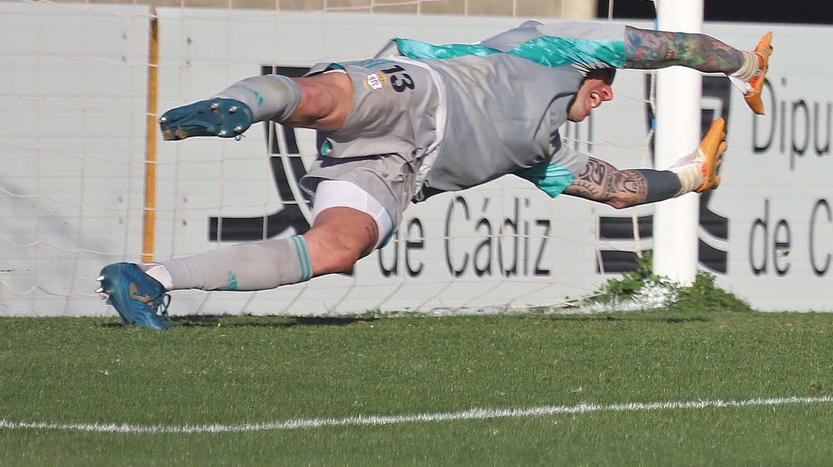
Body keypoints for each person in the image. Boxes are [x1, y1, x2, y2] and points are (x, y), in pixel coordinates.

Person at [98, 22, 773, 330]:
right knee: (324, 95)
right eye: (605, 83)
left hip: (396, 168)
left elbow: (618, 189)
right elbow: (670, 48)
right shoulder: (557, 49)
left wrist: (690, 177)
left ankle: (150, 281)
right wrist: (743, 64)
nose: (607, 92)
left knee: (338, 249)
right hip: (421, 91)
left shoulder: (544, 154)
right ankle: (239, 106)